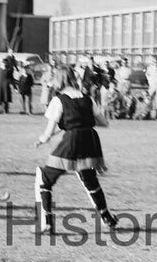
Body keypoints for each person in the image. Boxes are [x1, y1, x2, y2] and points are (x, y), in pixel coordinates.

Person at [33, 66, 118, 235]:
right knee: (89, 179)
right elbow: (103, 122)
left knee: (44, 179)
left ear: (59, 80)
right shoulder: (87, 98)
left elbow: (50, 131)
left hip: (72, 142)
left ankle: (46, 223)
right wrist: (81, 121)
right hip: (90, 140)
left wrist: (43, 138)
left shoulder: (58, 100)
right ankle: (107, 218)